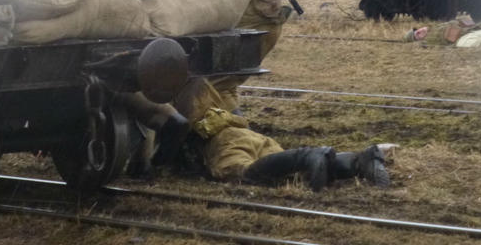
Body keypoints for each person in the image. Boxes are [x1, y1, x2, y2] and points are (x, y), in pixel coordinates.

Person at [167, 75, 390, 192]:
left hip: (225, 142)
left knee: (244, 174)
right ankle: (357, 161)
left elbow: (174, 131)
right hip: (253, 136)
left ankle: (307, 155)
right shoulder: (205, 83)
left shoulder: (173, 93)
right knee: (288, 171)